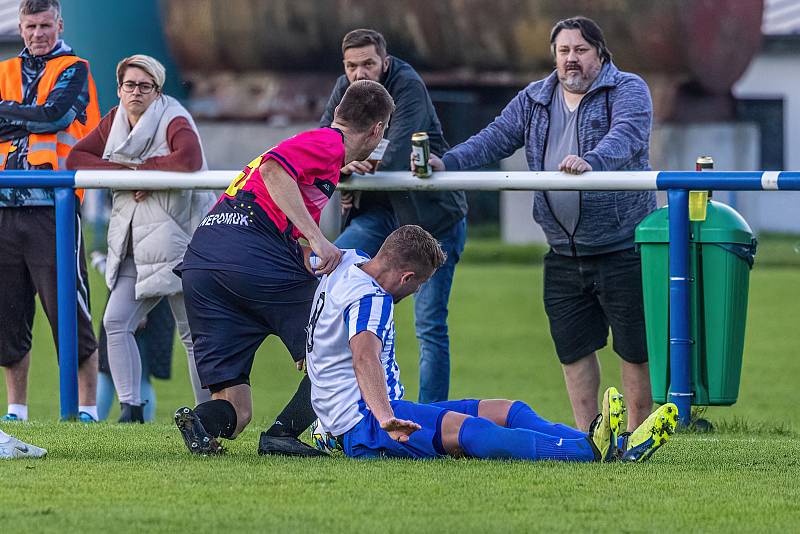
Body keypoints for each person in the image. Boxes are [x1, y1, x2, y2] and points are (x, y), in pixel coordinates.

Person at [429, 17, 656, 432]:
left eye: (581, 50)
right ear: (553, 56)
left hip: (624, 245)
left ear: (600, 54)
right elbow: (495, 137)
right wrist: (447, 162)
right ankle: (591, 439)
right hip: (563, 251)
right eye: (564, 51)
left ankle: (634, 439)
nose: (571, 60)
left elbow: (628, 135)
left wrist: (593, 162)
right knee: (572, 351)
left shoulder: (627, 88)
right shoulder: (534, 98)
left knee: (635, 350)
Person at [304, 225, 676, 462]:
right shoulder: (372, 299)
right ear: (406, 276)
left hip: (362, 416)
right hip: (368, 426)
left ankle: (595, 439)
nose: (417, 292)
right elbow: (364, 357)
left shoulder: (347, 263)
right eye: (420, 285)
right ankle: (593, 451)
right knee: (473, 432)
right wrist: (386, 417)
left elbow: (303, 251)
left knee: (506, 409)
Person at [172, 79, 395, 455]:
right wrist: (319, 239)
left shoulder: (329, 154)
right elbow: (276, 171)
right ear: (377, 130)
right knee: (339, 347)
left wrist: (306, 242)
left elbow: (278, 188)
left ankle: (200, 423)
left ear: (339, 111)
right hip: (251, 248)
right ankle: (282, 436)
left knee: (236, 407)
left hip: (205, 258)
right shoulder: (328, 142)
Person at [318, 29, 468, 404]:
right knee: (328, 270)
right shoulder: (344, 87)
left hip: (431, 220)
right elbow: (322, 141)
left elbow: (401, 148)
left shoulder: (407, 84)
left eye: (368, 63)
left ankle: (433, 417)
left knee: (429, 325)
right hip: (379, 213)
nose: (360, 73)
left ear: (385, 62)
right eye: (352, 66)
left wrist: (355, 162)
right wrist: (350, 163)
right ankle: (336, 407)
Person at [66, 54, 214, 423]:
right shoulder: (114, 119)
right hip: (135, 243)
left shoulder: (175, 116)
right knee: (116, 323)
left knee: (193, 335)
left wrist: (141, 174)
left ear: (157, 91)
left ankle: (209, 414)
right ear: (119, 89)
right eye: (129, 85)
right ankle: (131, 409)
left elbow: (189, 159)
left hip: (182, 242)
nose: (136, 92)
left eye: (144, 86)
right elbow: (75, 158)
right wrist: (128, 173)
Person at [0, 0, 100, 422]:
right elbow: (42, 119)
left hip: (53, 205)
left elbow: (57, 115)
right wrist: (34, 119)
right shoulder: (4, 70)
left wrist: (13, 116)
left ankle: (87, 410)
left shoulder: (76, 68)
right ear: (20, 28)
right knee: (8, 313)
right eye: (30, 26)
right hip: (5, 205)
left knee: (68, 312)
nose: (37, 33)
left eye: (45, 25)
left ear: (59, 24)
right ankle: (16, 410)